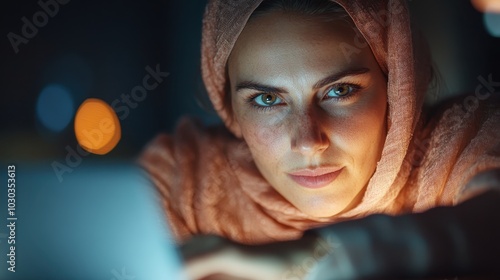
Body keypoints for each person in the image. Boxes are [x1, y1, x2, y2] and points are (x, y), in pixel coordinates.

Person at [139, 0, 500, 279]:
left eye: (340, 91)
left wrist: (316, 258)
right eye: (267, 100)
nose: (308, 141)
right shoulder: (186, 181)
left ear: (396, 89)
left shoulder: (464, 145)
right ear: (229, 107)